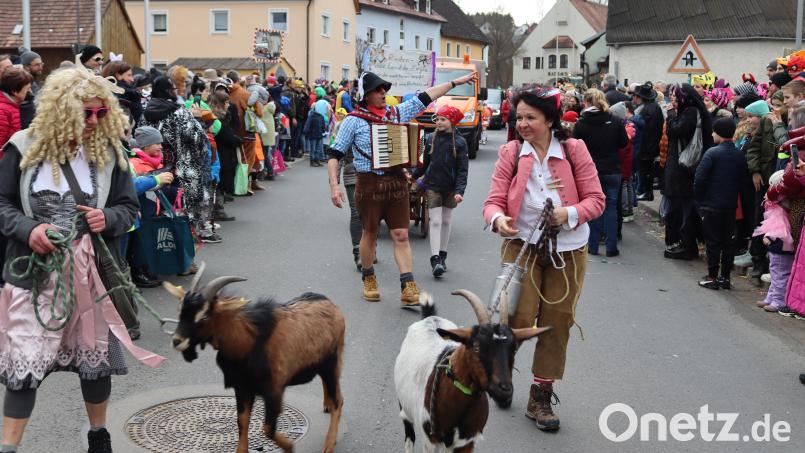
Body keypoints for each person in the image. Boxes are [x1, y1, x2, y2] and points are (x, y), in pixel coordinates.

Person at [0, 68, 164, 453]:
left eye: (100, 113)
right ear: (61, 110)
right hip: (32, 279)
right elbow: (2, 202)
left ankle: (99, 438)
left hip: (89, 275)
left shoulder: (108, 155)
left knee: (95, 362)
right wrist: (28, 229)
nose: (93, 121)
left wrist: (107, 219)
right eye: (85, 113)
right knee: (22, 368)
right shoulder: (23, 147)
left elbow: (128, 207)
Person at [483, 86, 604, 432]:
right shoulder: (510, 152)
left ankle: (541, 395)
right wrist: (497, 219)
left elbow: (596, 200)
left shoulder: (574, 149)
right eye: (518, 117)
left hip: (567, 251)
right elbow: (492, 201)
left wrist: (567, 213)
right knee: (516, 318)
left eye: (530, 117)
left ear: (550, 120)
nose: (522, 123)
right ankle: (502, 376)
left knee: (557, 321)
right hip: (520, 246)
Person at [327, 70, 478, 305]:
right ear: (366, 94)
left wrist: (454, 83)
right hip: (368, 183)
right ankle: (369, 278)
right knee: (370, 233)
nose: (383, 93)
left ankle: (408, 285)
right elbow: (334, 154)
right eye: (378, 90)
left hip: (397, 182)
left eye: (384, 89)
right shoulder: (353, 121)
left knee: (401, 234)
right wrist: (334, 187)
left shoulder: (395, 114)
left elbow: (425, 97)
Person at [142, 75, 216, 246]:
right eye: (174, 89)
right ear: (169, 91)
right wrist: (197, 119)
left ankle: (163, 251)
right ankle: (185, 252)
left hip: (154, 167)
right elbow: (198, 138)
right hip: (184, 169)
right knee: (184, 212)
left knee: (160, 212)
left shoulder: (146, 112)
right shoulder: (179, 112)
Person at [412, 105, 469, 277]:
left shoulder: (460, 142)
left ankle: (443, 255)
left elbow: (462, 170)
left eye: (443, 119)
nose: (439, 122)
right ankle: (435, 259)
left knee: (446, 220)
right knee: (435, 221)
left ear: (452, 121)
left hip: (451, 188)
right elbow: (424, 164)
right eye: (437, 119)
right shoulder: (430, 139)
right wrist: (413, 176)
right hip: (433, 186)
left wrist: (460, 191)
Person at [694, 118, 747, 290]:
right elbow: (742, 179)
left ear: (719, 133)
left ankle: (712, 276)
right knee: (728, 242)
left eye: (714, 131)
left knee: (713, 242)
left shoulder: (712, 153)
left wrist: (700, 199)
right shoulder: (739, 154)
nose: (711, 134)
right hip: (730, 204)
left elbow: (699, 178)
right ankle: (725, 276)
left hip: (711, 204)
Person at [573, 89, 628, 257]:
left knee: (593, 207)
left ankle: (593, 246)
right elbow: (623, 143)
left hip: (590, 170)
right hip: (612, 168)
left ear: (587, 102)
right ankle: (612, 247)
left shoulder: (581, 123)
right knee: (611, 207)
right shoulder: (615, 120)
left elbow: (574, 147)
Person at [663, 83, 714, 260]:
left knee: (686, 209)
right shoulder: (689, 111)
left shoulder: (691, 112)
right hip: (682, 168)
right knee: (681, 208)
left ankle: (687, 245)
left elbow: (675, 131)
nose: (673, 99)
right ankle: (682, 243)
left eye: (676, 96)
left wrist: (670, 116)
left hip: (686, 169)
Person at [227, 71, 264, 192]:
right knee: (247, 159)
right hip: (246, 132)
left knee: (232, 159)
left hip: (229, 132)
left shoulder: (224, 93)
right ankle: (242, 185)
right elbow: (259, 112)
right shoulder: (245, 94)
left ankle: (232, 185)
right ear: (238, 81)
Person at [632, 82, 664, 201]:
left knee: (645, 171)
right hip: (651, 144)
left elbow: (647, 130)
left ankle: (647, 192)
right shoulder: (654, 107)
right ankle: (646, 192)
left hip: (647, 145)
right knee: (646, 170)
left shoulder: (647, 109)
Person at [0, 68, 33, 149]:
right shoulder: (2, 111)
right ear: (15, 91)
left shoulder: (14, 106)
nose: (30, 92)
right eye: (27, 89)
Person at [102, 61, 143, 125]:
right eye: (129, 75)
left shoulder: (104, 91)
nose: (132, 79)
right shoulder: (128, 94)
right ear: (118, 76)